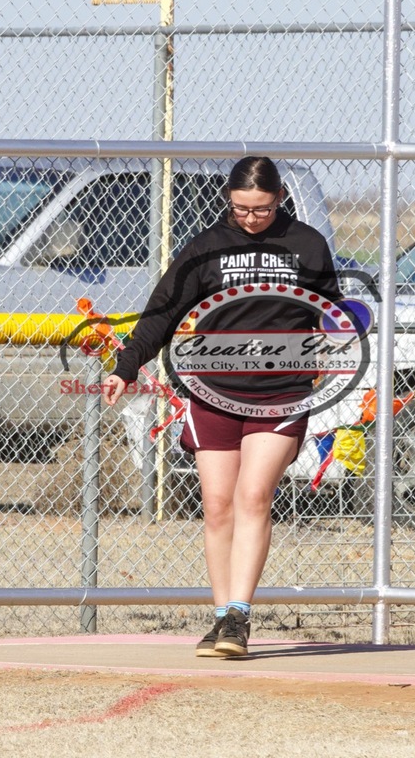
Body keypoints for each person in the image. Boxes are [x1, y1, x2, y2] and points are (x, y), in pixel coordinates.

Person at [103, 156, 341, 657]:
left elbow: (333, 311)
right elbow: (162, 313)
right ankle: (220, 620)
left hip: (281, 391)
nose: (251, 218)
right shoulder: (206, 246)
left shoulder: (307, 245)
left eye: (262, 209)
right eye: (241, 208)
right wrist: (126, 367)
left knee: (253, 496)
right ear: (228, 201)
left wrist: (331, 349)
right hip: (213, 392)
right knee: (216, 505)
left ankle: (239, 615)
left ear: (280, 199)